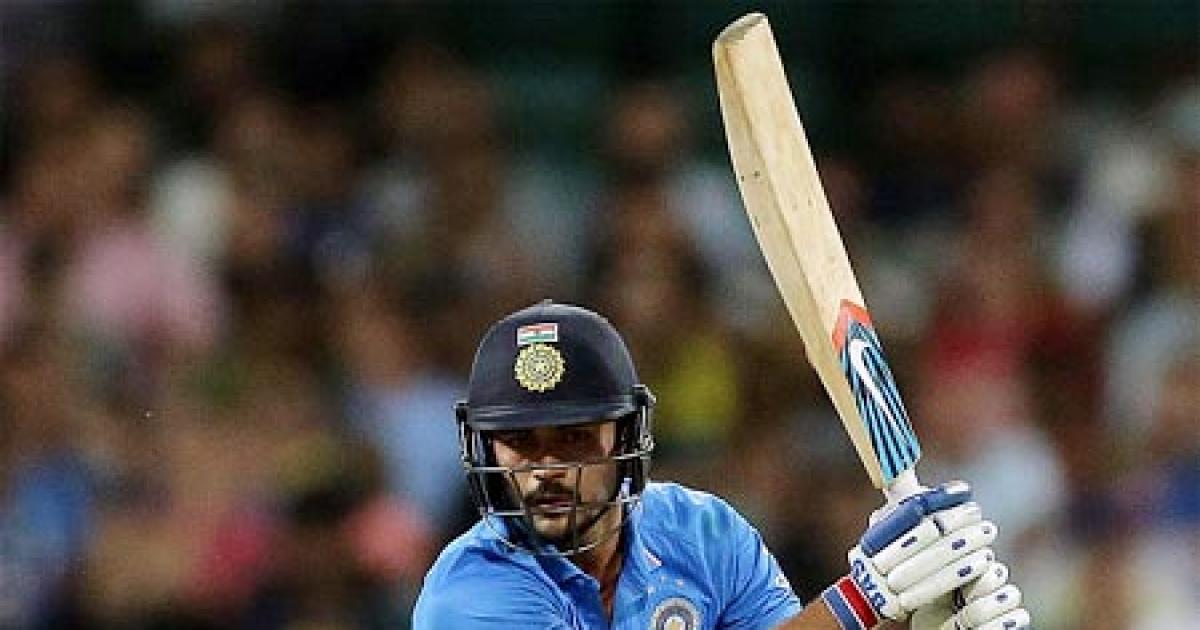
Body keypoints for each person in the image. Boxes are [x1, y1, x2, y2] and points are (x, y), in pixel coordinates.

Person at [414, 301, 1030, 629]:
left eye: (574, 438)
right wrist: (862, 600)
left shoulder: (700, 531)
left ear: (625, 436)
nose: (545, 467)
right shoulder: (469, 592)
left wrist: (913, 615)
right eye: (520, 442)